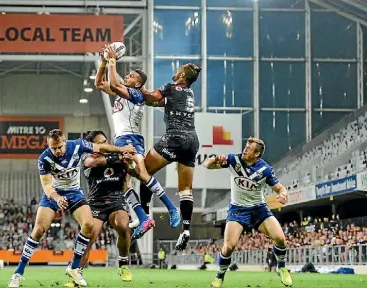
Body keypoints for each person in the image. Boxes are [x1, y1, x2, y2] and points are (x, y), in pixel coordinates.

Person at [8, 129, 135, 288]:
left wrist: (122, 150)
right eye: (53, 148)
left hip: (74, 193)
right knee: (39, 230)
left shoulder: (78, 146)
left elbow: (101, 148)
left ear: (65, 142)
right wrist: (57, 198)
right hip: (54, 195)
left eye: (59, 147)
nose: (57, 151)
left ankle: (74, 268)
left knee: (88, 224)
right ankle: (18, 274)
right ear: (48, 145)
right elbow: (47, 186)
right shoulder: (44, 159)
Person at [95, 46, 181, 239]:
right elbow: (100, 83)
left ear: (138, 83)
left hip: (131, 140)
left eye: (132, 75)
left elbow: (116, 84)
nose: (128, 75)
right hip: (120, 142)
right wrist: (102, 62)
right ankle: (143, 218)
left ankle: (172, 209)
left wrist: (112, 60)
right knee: (124, 183)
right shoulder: (123, 92)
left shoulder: (137, 95)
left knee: (142, 175)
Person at [203, 137, 293, 287]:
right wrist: (214, 160)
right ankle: (219, 277)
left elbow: (281, 188)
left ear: (257, 154)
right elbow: (207, 166)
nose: (245, 149)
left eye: (249, 148)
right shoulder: (233, 159)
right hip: (237, 209)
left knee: (280, 239)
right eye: (246, 146)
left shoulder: (265, 170)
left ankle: (281, 268)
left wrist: (283, 194)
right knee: (228, 247)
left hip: (259, 210)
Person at [137, 63, 202, 250]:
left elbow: (151, 96)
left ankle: (145, 217)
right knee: (185, 190)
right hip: (192, 140)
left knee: (144, 171)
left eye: (178, 69)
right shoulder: (188, 93)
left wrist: (137, 87)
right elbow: (154, 101)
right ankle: (186, 229)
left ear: (182, 74)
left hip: (175, 137)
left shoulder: (171, 88)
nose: (174, 72)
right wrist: (144, 99)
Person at [78, 130, 135, 282]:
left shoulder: (117, 156)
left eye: (105, 141)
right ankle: (76, 273)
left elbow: (132, 170)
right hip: (96, 203)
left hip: (116, 200)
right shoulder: (86, 156)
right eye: (100, 142)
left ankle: (123, 264)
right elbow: (93, 163)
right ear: (93, 145)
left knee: (123, 225)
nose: (104, 144)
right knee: (88, 239)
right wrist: (121, 155)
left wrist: (130, 162)